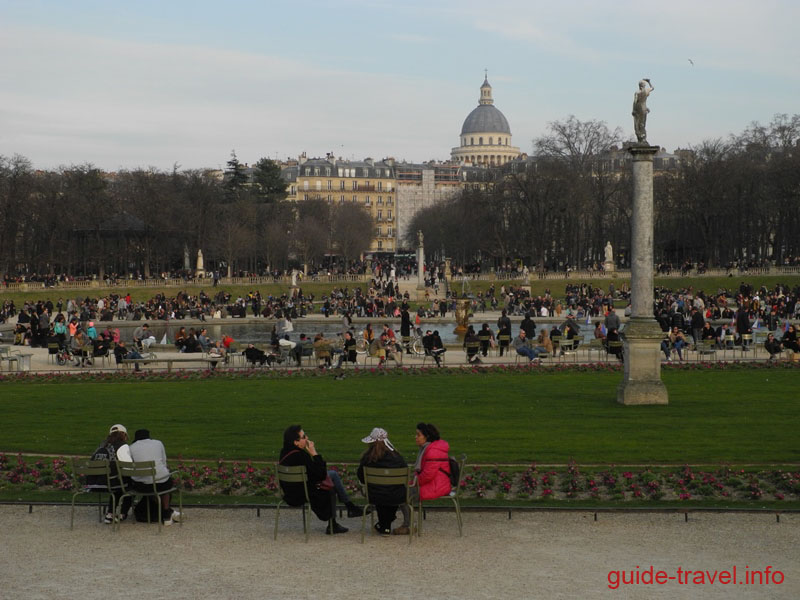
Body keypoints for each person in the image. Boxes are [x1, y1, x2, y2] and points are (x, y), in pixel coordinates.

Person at [279, 425, 366, 535]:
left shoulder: (284, 452)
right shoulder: (301, 456)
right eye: (304, 436)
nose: (307, 438)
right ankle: (345, 511)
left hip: (289, 493)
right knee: (331, 487)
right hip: (303, 493)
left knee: (332, 476)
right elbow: (320, 475)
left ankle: (349, 508)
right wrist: (314, 453)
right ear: (296, 442)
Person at [395, 423, 451, 535]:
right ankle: (408, 524)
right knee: (402, 491)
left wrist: (413, 483)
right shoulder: (431, 448)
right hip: (438, 483)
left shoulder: (432, 452)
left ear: (427, 437)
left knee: (401, 493)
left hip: (435, 486)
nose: (415, 437)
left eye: (418, 435)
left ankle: (409, 525)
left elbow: (427, 475)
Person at [357, 427, 408, 536]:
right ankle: (385, 525)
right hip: (396, 495)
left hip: (375, 495)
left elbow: (361, 476)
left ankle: (385, 526)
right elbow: (405, 475)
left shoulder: (368, 458)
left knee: (381, 491)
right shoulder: (397, 457)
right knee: (391, 491)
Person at [128, 429, 181, 525]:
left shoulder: (131, 447)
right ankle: (166, 513)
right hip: (161, 483)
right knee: (165, 482)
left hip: (142, 486)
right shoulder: (158, 443)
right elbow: (164, 462)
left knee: (151, 482)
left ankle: (167, 512)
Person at [87, 424, 133, 524]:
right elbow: (128, 466)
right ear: (124, 435)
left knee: (117, 484)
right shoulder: (122, 446)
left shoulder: (101, 445)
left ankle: (109, 514)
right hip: (110, 483)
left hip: (94, 483)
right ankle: (122, 513)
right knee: (129, 485)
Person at [632, 78, 654, 143]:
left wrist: (633, 110)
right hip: (644, 109)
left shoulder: (637, 92)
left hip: (638, 109)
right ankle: (643, 138)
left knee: (637, 124)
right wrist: (649, 82)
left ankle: (641, 138)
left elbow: (635, 101)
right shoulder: (646, 91)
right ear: (644, 85)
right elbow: (652, 88)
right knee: (643, 124)